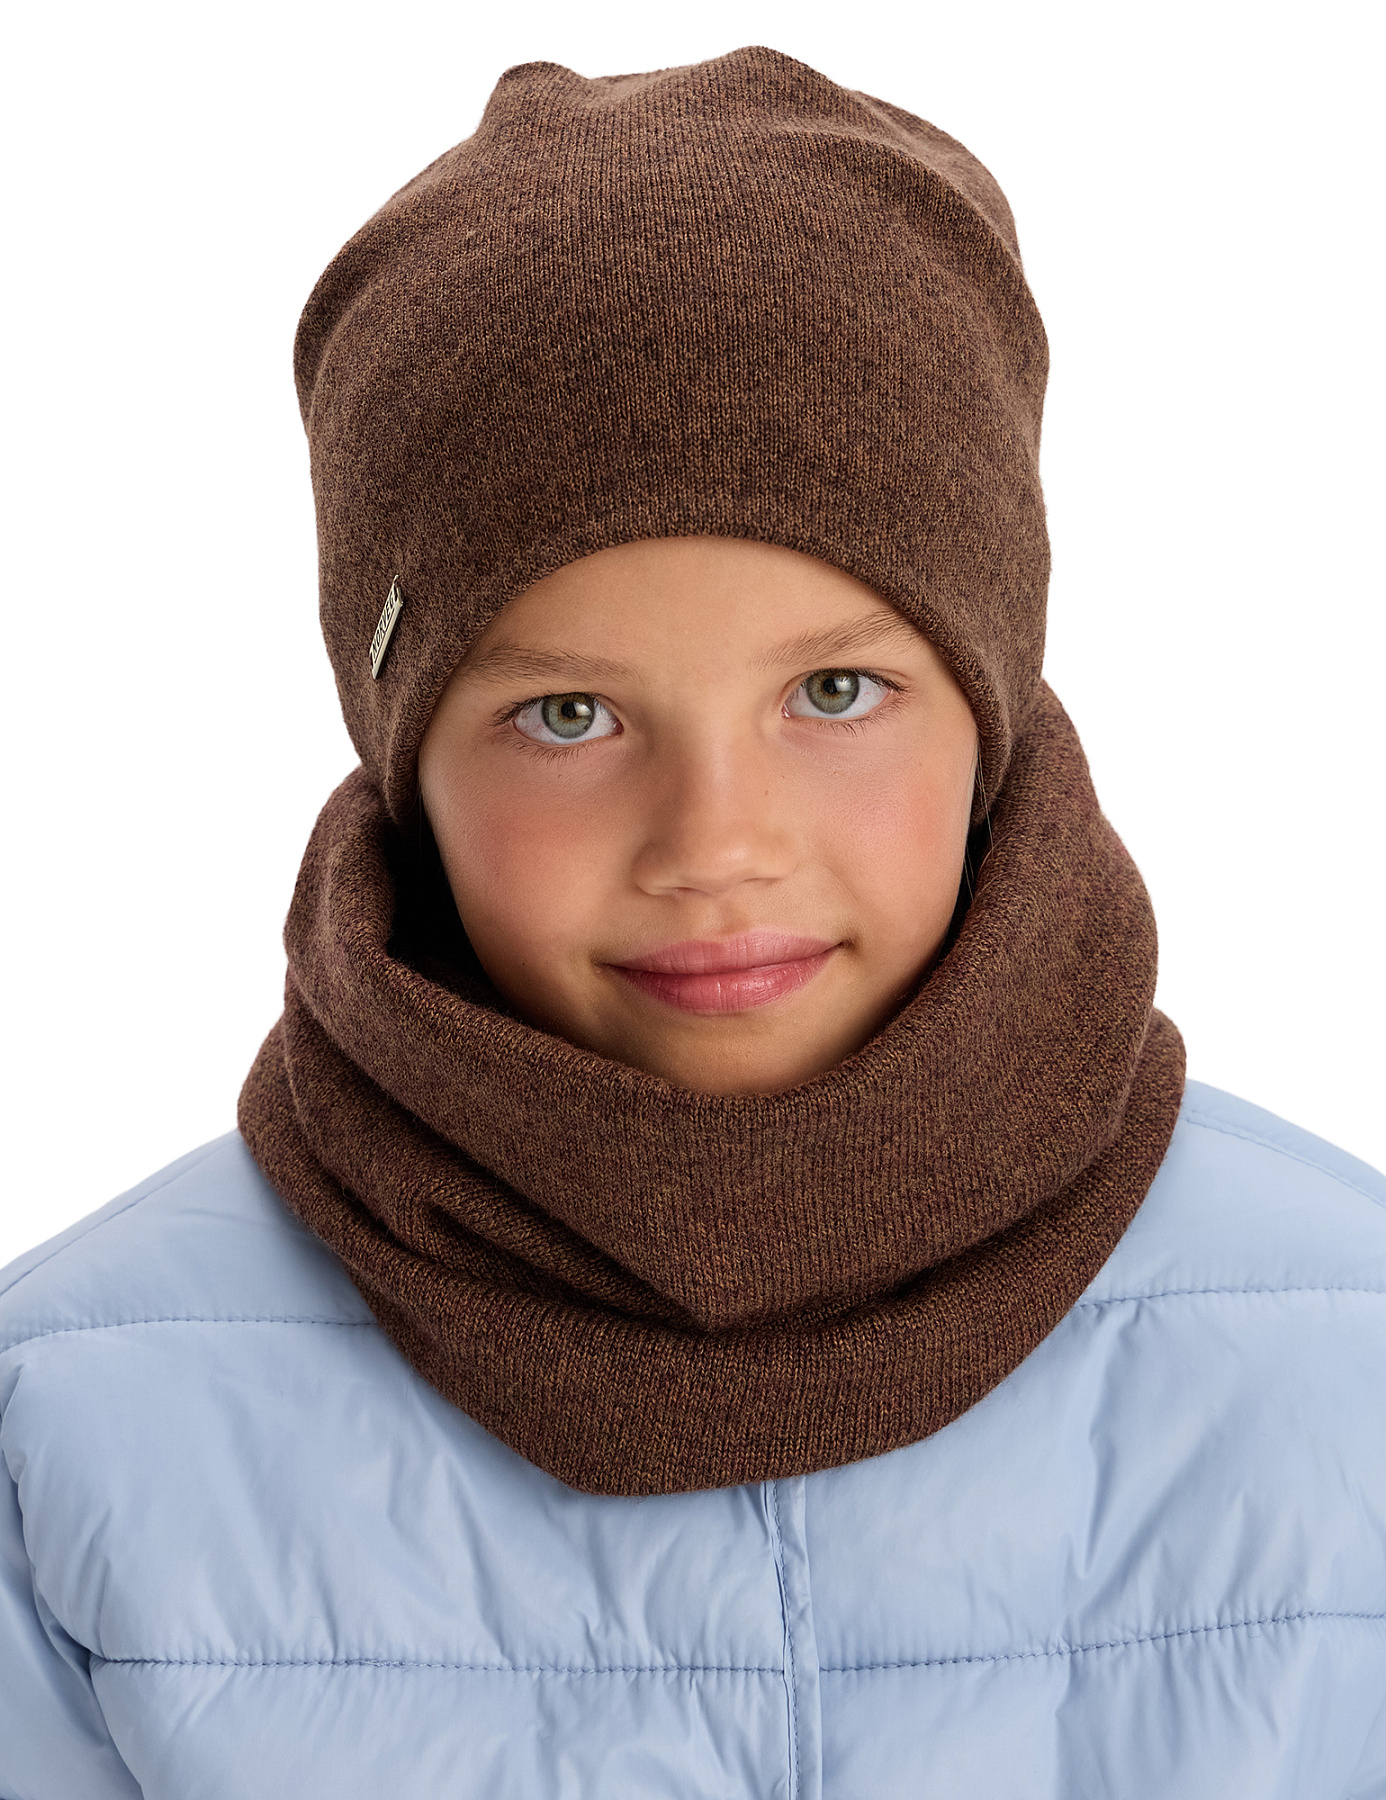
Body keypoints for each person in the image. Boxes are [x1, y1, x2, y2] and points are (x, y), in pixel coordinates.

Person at [2, 43, 1383, 1799]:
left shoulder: (1352, 1353)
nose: (715, 845)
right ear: (400, 750)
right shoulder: (75, 1423)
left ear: (990, 708)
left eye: (831, 691)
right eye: (567, 715)